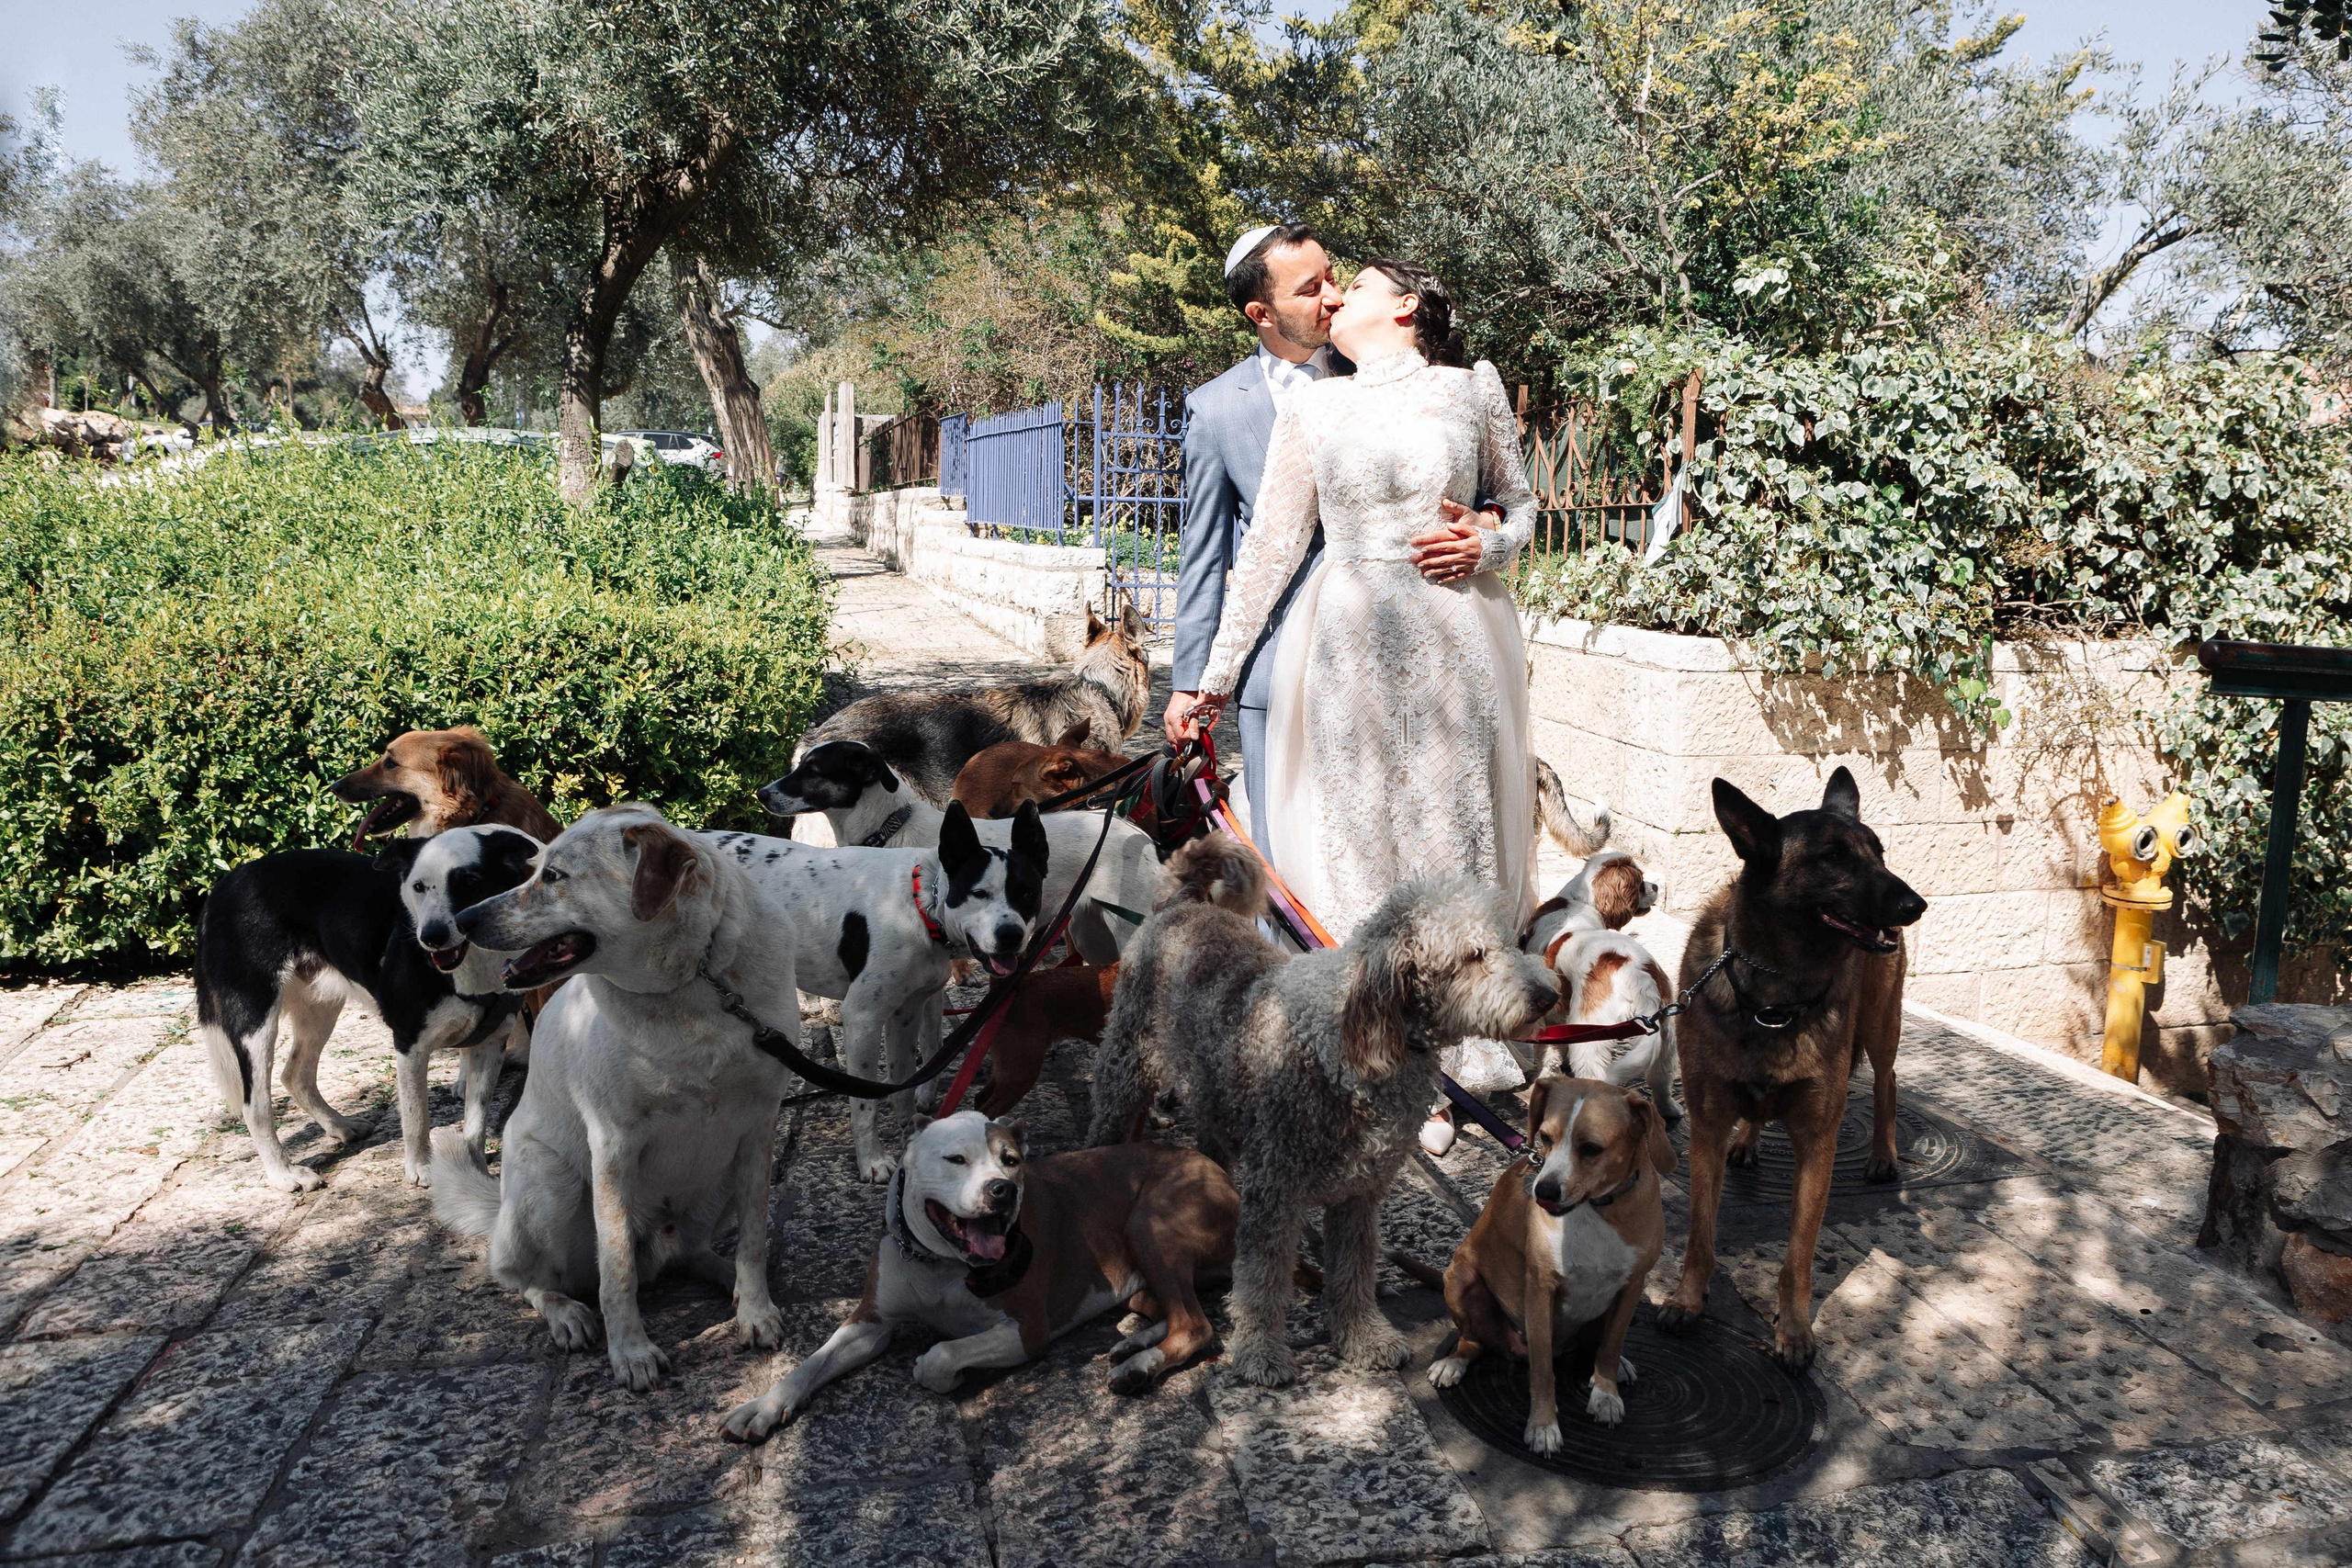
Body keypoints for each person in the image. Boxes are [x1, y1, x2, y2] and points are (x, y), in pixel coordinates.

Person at [1183, 258, 1538, 1153]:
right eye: (1325, 287)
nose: (1334, 296)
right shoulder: (1312, 404)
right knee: (1358, 845)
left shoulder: (1470, 389)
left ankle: (1461, 1060)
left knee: (1448, 847)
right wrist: (1209, 682)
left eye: (1357, 284)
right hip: (1342, 641)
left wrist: (1488, 540)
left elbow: (1525, 509)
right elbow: (1266, 552)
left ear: (1406, 305)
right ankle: (1378, 1050)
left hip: (1452, 635)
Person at [1168, 225, 1495, 865]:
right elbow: (1204, 556)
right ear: (1261, 313)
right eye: (1312, 287)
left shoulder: (1396, 368)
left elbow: (1480, 490)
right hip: (1279, 667)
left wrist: (1483, 527)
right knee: (1286, 861)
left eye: (1333, 276)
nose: (1334, 296)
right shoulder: (1216, 411)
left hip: (1402, 655)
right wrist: (1189, 682)